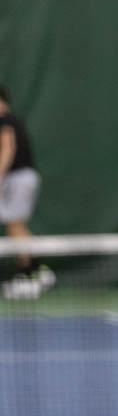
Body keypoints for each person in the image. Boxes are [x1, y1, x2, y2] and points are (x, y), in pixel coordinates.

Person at [0, 85, 53, 299]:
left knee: (15, 224)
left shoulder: (4, 120)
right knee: (15, 224)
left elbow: (7, 149)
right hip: (21, 178)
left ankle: (35, 272)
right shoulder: (12, 120)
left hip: (19, 178)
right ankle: (33, 271)